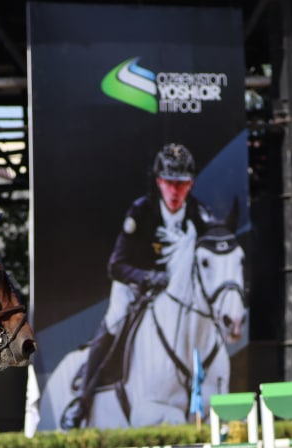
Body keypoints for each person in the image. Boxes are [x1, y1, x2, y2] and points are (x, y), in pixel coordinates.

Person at [59, 143, 216, 430]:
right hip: (134, 287)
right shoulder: (141, 212)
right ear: (158, 182)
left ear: (191, 184)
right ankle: (82, 401)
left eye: (181, 184)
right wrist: (148, 278)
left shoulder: (200, 214)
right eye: (169, 183)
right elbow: (115, 265)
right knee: (115, 321)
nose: (175, 191)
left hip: (178, 293)